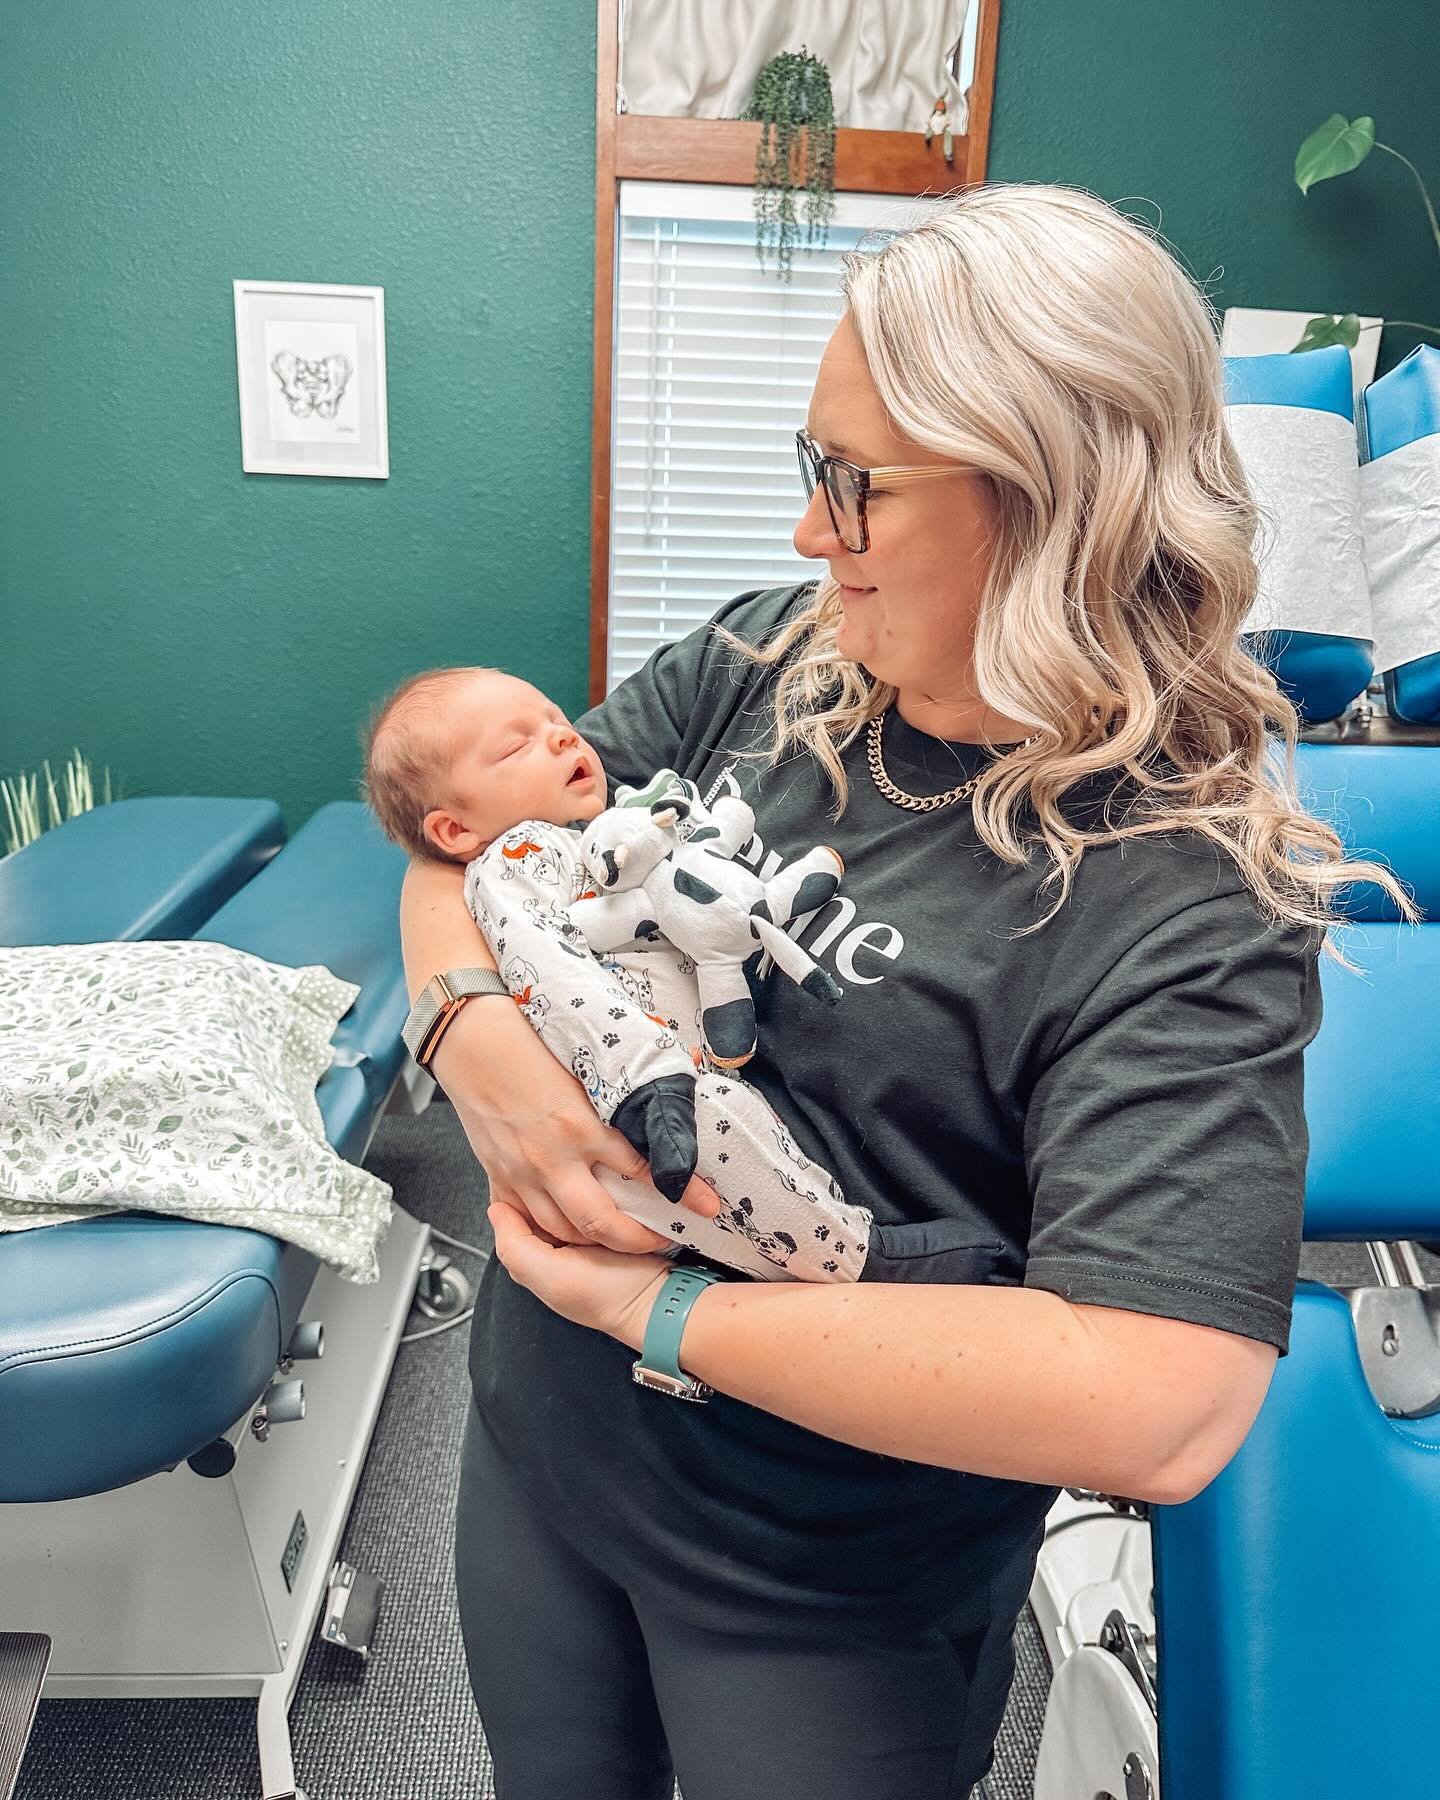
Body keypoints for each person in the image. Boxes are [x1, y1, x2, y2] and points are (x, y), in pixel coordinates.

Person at [396, 181, 1414, 1800]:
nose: (811, 534)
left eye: (849, 484)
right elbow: (462, 847)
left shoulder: (1186, 892)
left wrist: (652, 1305)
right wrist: (470, 1043)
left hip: (821, 1580)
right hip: (542, 1445)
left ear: (1043, 494)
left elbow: (1159, 1398)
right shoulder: (772, 656)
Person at [362, 665, 878, 1282]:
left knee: (752, 1147)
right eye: (515, 744)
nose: (563, 737)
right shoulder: (514, 859)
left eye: (557, 719)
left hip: (670, 1077)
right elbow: (554, 974)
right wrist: (645, 1079)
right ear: (455, 829)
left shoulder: (592, 841)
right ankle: (857, 1261)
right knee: (732, 1151)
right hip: (633, 1104)